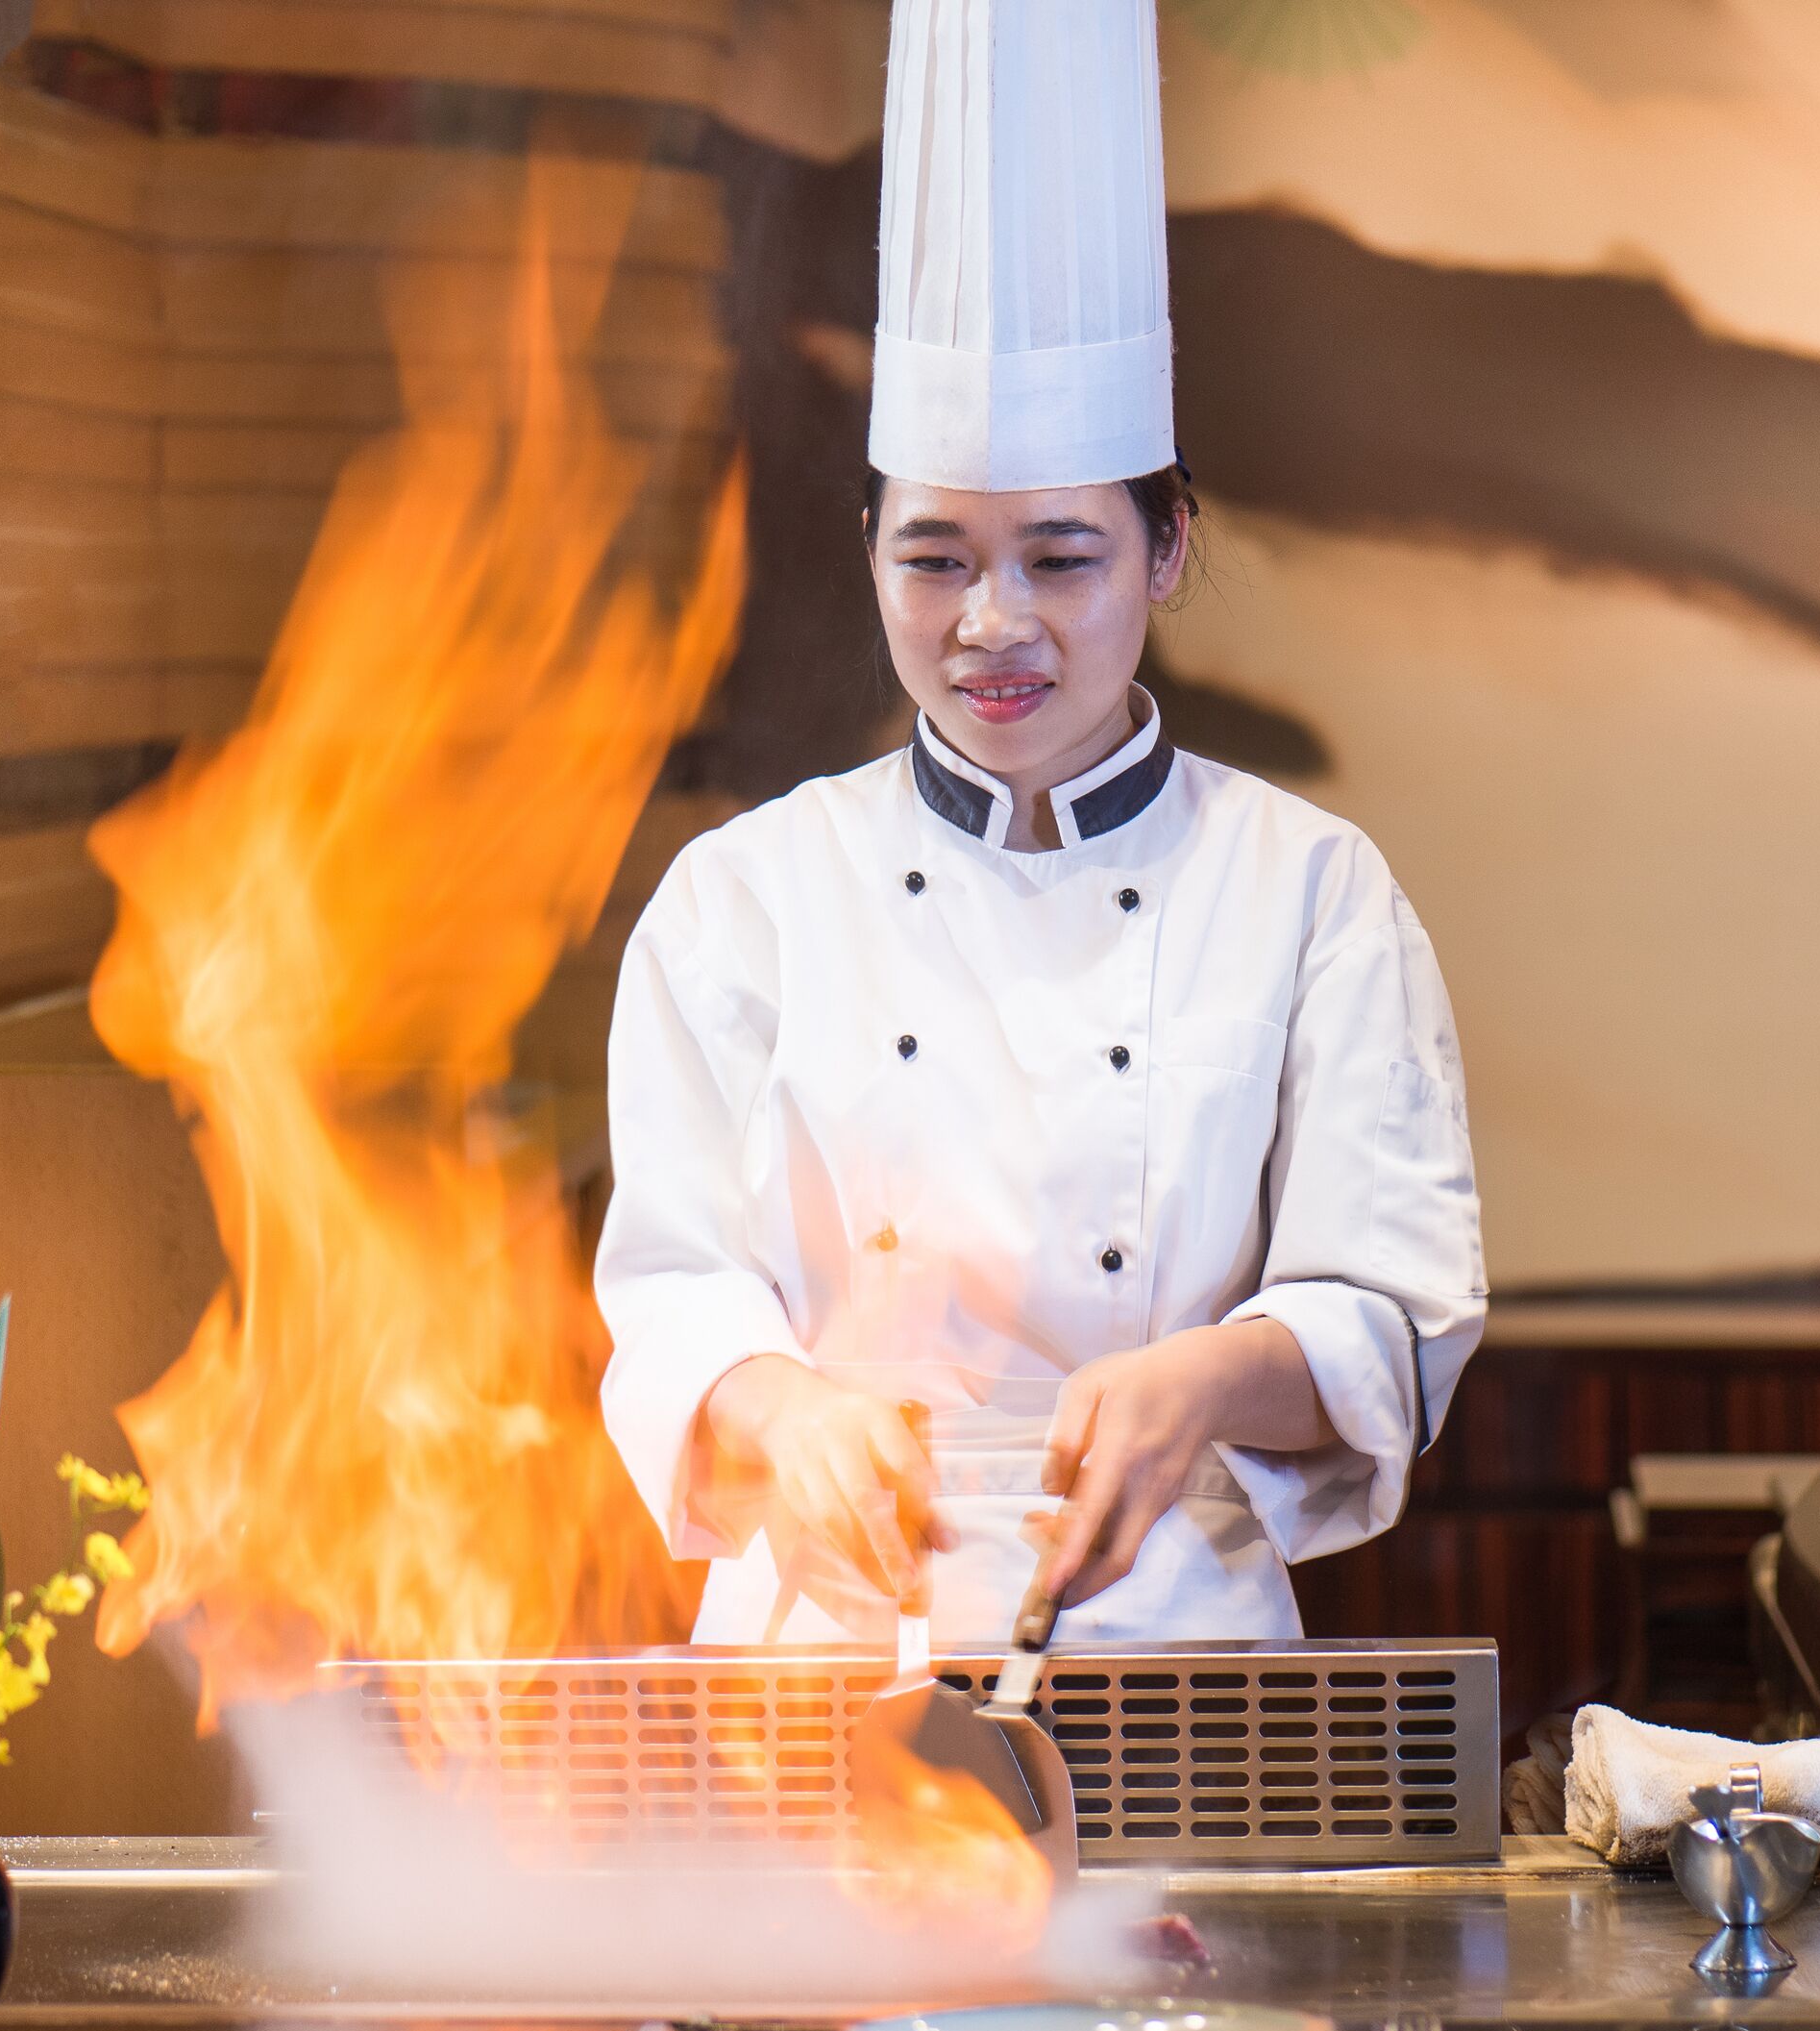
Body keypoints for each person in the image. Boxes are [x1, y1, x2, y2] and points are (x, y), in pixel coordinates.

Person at [592, 0, 1483, 1648]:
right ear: (870, 547)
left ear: (1166, 546)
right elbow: (671, 1299)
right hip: (823, 1662)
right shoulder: (741, 900)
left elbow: (1391, 1313)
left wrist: (1205, 1377)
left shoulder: (1309, 891)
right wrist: (782, 1407)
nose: (991, 624)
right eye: (934, 560)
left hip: (1179, 1657)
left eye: (1060, 560)